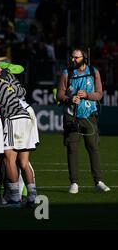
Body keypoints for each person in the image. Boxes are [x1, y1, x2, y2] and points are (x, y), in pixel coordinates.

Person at [56, 48, 110, 194]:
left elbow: (99, 94)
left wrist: (87, 95)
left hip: (89, 115)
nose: (73, 60)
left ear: (84, 58)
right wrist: (69, 98)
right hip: (71, 116)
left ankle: (99, 181)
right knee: (72, 149)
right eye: (72, 57)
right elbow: (59, 94)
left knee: (93, 147)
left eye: (76, 57)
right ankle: (74, 182)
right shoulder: (67, 72)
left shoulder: (93, 71)